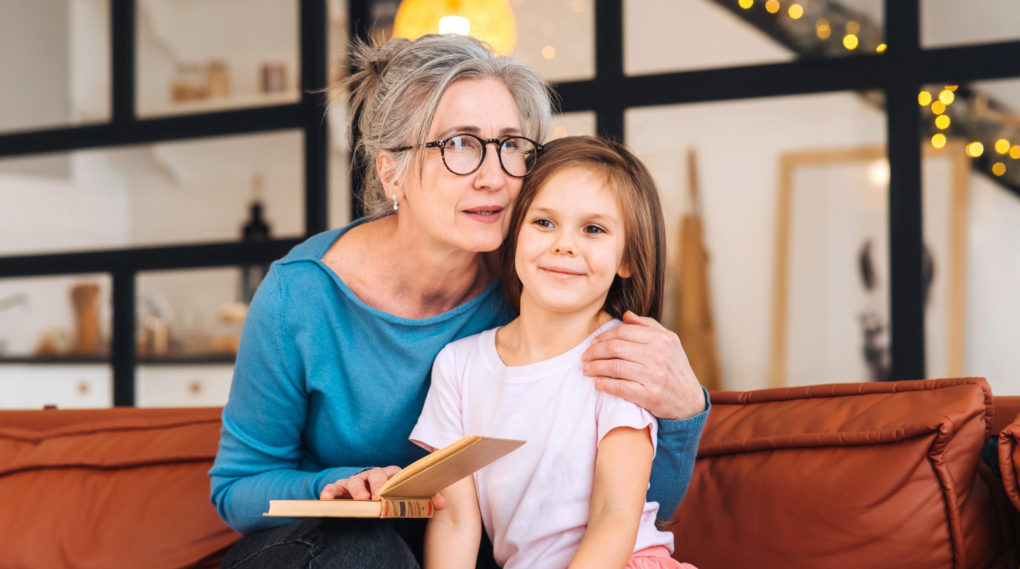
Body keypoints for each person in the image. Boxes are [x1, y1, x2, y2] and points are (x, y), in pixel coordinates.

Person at [210, 34, 708, 569]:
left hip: (479, 551)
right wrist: (341, 485)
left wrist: (683, 411)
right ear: (390, 171)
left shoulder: (539, 287)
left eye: (510, 146)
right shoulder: (300, 297)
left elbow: (636, 513)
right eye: (459, 145)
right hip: (330, 546)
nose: (494, 177)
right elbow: (236, 489)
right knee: (367, 549)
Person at [410, 136, 698, 569]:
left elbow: (614, 516)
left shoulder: (621, 358)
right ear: (514, 234)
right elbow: (456, 523)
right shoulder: (458, 366)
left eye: (593, 229)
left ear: (627, 260)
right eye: (544, 223)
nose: (564, 244)